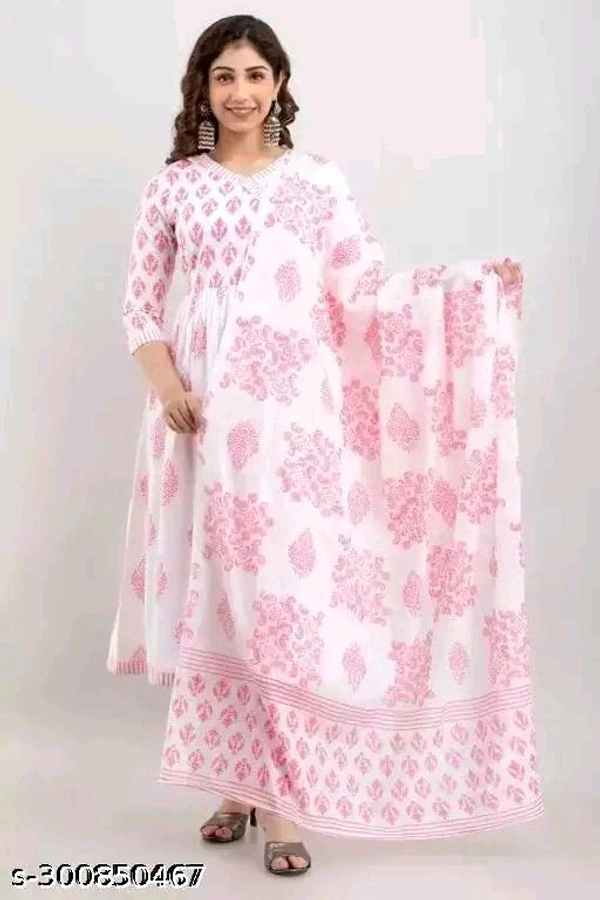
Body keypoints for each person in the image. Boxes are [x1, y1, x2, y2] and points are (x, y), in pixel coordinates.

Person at [107, 14, 542, 877]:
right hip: (198, 419)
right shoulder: (174, 189)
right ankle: (236, 787)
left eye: (254, 75)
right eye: (224, 76)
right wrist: (170, 391)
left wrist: (466, 290)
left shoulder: (317, 184)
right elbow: (140, 308)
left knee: (278, 600)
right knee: (221, 597)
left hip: (290, 423)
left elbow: (368, 293)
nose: (240, 92)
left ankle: (280, 806)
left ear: (279, 85)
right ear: (202, 89)